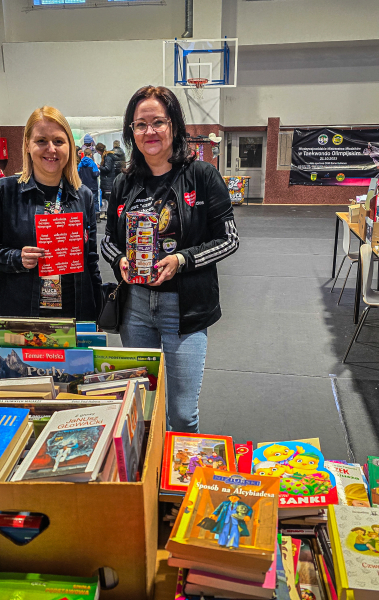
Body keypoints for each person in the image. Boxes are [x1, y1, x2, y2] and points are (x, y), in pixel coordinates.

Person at [101, 86, 239, 433]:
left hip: (186, 308)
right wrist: (119, 259)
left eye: (158, 122)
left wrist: (182, 260)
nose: (149, 131)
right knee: (142, 408)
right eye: (140, 124)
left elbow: (229, 240)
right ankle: (146, 480)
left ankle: (177, 484)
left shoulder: (202, 176)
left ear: (173, 126)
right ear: (130, 132)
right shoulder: (123, 183)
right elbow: (106, 241)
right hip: (134, 308)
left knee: (181, 413)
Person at [0, 106, 102, 320]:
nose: (51, 149)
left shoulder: (84, 196)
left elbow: (90, 259)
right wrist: (16, 258)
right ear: (27, 144)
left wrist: (97, 310)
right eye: (41, 141)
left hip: (76, 313)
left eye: (59, 141)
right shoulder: (4, 192)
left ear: (70, 146)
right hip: (22, 311)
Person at [99, 140, 125, 221]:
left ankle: (108, 212)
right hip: (121, 174)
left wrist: (99, 167)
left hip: (111, 176)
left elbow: (108, 168)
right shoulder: (122, 153)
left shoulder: (110, 155)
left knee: (108, 196)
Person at [78, 148, 99, 226]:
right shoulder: (93, 163)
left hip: (84, 186)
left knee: (85, 201)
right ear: (91, 154)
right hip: (93, 186)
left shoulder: (80, 163)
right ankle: (96, 217)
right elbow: (95, 174)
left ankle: (86, 217)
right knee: (95, 201)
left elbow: (78, 174)